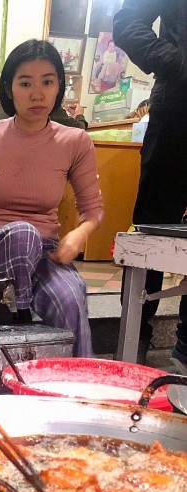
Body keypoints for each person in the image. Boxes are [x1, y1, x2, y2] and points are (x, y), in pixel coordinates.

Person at [0, 39, 105, 357]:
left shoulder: (75, 141)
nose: (37, 93)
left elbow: (92, 210)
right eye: (25, 83)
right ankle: (21, 315)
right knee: (21, 233)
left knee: (71, 296)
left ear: (59, 87)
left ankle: (76, 383)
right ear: (9, 89)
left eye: (47, 82)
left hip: (45, 253)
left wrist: (78, 236)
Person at [113, 0, 187, 368]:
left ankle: (186, 347)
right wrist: (173, 61)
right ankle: (134, 338)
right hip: (177, 110)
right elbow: (127, 20)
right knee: (151, 230)